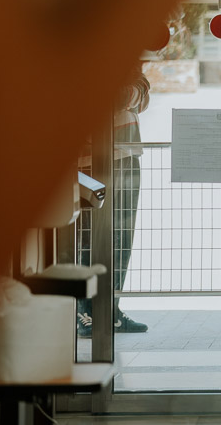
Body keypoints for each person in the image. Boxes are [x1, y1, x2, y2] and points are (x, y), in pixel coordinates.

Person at [77, 69, 151, 336]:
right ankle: (84, 311)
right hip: (87, 160)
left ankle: (110, 309)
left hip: (126, 152)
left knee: (122, 237)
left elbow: (140, 93)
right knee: (88, 238)